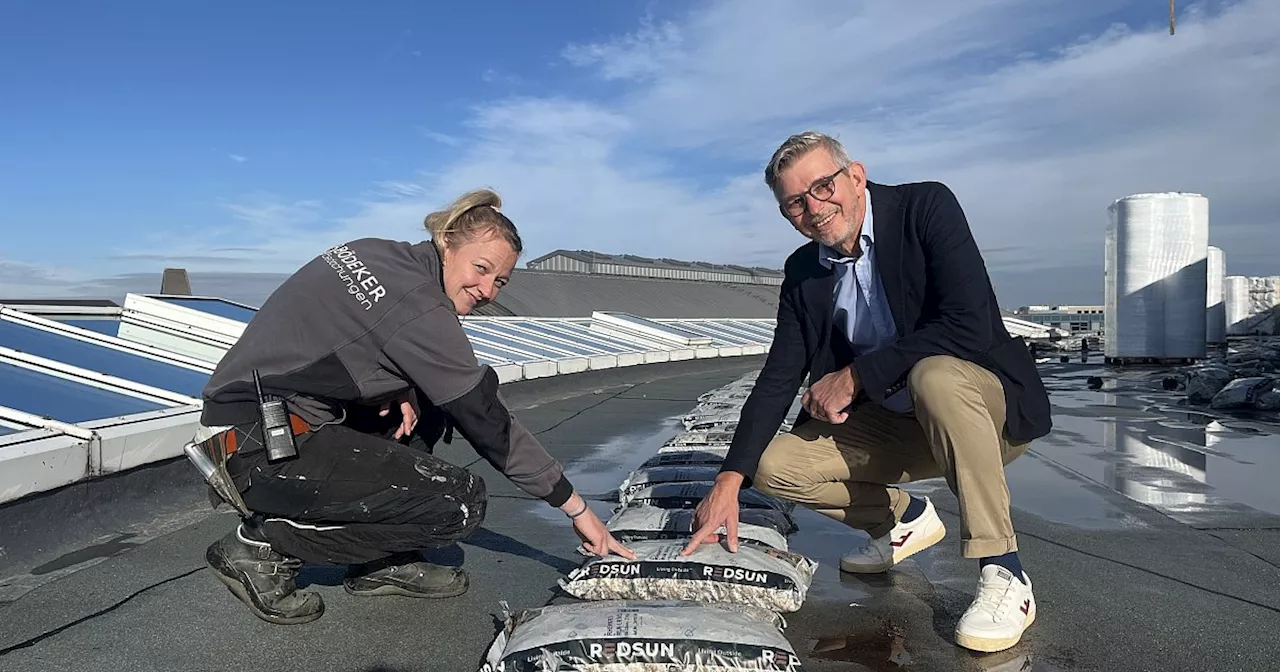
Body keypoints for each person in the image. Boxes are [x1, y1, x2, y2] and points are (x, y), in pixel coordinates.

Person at [682, 132, 1052, 653]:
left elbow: (968, 324)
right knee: (772, 465)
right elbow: (778, 376)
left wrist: (856, 376)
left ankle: (1005, 572)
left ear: (855, 176)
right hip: (897, 428)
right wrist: (728, 479)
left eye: (823, 186)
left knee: (935, 375)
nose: (814, 208)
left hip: (983, 415)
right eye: (795, 202)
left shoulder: (924, 207)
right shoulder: (803, 271)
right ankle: (904, 517)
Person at [194, 188, 634, 625]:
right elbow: (488, 422)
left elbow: (349, 334)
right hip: (258, 449)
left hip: (248, 423)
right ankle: (262, 547)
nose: (485, 290)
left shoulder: (376, 253)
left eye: (499, 281)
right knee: (459, 503)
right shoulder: (420, 308)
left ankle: (378, 561)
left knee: (427, 400)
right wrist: (578, 510)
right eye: (480, 269)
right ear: (447, 242)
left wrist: (398, 381)